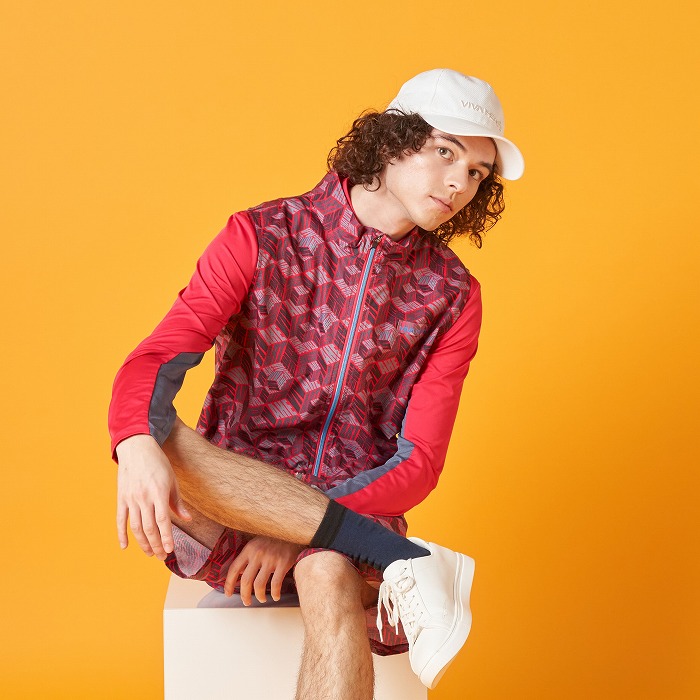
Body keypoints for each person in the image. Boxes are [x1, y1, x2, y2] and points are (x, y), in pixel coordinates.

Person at [108, 68, 524, 698]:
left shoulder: (453, 295)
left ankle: (369, 551)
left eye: (476, 172)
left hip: (356, 513)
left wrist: (298, 530)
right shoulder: (261, 234)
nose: (459, 183)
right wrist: (135, 444)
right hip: (228, 500)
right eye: (445, 152)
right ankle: (405, 563)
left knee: (326, 569)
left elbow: (421, 460)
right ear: (391, 140)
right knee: (154, 429)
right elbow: (157, 357)